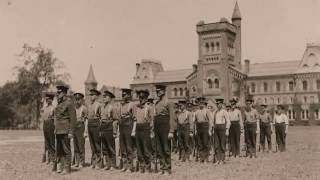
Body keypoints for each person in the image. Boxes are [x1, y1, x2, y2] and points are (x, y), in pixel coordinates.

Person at [54, 83, 76, 175]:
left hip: (66, 130)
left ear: (64, 93)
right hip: (58, 130)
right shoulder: (59, 104)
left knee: (66, 149)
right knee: (59, 150)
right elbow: (57, 117)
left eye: (59, 92)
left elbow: (73, 119)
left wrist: (71, 132)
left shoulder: (69, 103)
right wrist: (55, 128)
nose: (57, 94)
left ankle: (67, 168)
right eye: (57, 92)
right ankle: (61, 166)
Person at [154, 85, 175, 175]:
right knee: (159, 148)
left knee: (166, 148)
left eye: (159, 91)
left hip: (165, 126)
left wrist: (171, 130)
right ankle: (162, 167)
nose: (157, 92)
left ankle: (167, 168)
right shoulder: (157, 103)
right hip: (157, 127)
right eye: (157, 91)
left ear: (163, 91)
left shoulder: (169, 102)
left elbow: (172, 117)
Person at [132, 90, 154, 173]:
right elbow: (134, 119)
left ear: (146, 99)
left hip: (145, 128)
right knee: (139, 148)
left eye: (142, 98)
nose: (140, 99)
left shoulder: (149, 108)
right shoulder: (136, 107)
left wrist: (151, 131)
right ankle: (142, 165)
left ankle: (148, 166)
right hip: (138, 127)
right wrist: (134, 131)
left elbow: (152, 120)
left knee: (146, 147)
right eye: (139, 98)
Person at [100, 90, 118, 170]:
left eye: (106, 97)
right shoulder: (103, 107)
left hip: (109, 127)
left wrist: (114, 131)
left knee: (110, 146)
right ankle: (107, 164)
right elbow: (101, 119)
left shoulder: (112, 107)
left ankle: (113, 164)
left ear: (110, 98)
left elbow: (115, 120)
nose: (104, 98)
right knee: (104, 147)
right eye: (103, 96)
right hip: (103, 127)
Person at [118, 88, 135, 172]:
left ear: (129, 95)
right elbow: (119, 117)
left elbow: (134, 118)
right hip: (122, 126)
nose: (123, 96)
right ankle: (124, 165)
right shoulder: (121, 105)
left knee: (129, 146)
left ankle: (130, 166)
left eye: (124, 95)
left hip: (129, 126)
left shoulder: (132, 105)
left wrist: (133, 130)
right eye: (122, 95)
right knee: (122, 146)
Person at [211, 98, 230, 164]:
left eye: (219, 104)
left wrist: (227, 130)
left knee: (222, 144)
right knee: (216, 144)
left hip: (222, 128)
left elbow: (228, 121)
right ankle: (217, 159)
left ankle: (222, 159)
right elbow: (213, 122)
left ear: (222, 104)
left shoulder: (224, 112)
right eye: (217, 104)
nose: (218, 105)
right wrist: (212, 129)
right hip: (216, 128)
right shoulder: (215, 112)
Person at [86, 88, 102, 168]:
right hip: (90, 124)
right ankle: (93, 161)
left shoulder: (99, 105)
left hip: (96, 124)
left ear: (96, 96)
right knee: (92, 144)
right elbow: (87, 117)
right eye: (90, 95)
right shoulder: (89, 105)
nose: (91, 96)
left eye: (93, 95)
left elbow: (101, 118)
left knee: (97, 144)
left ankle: (99, 162)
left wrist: (100, 129)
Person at [194, 97, 212, 163]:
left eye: (202, 103)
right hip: (199, 127)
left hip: (205, 126)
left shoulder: (207, 110)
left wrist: (210, 130)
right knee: (200, 143)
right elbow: (195, 121)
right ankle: (201, 157)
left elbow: (210, 120)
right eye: (199, 103)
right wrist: (195, 130)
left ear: (204, 103)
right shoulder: (197, 111)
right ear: (198, 103)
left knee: (205, 143)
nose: (201, 104)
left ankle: (206, 157)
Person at [73, 92, 88, 168]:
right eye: (76, 99)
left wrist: (85, 131)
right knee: (75, 146)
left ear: (82, 100)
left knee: (81, 145)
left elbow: (86, 121)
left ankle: (82, 162)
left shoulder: (84, 108)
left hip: (81, 126)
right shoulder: (74, 108)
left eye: (78, 99)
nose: (77, 101)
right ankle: (77, 161)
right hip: (75, 127)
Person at [41, 92, 56, 165]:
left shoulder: (53, 108)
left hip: (51, 124)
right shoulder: (44, 107)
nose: (47, 100)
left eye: (48, 99)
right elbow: (42, 116)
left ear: (51, 100)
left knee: (51, 142)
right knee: (46, 142)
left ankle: (53, 159)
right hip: (45, 124)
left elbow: (55, 118)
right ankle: (49, 159)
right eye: (46, 99)